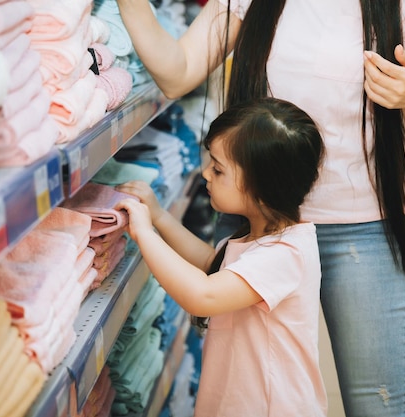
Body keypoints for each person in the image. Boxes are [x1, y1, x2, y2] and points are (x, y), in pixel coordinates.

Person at [115, 0, 405, 415]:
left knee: (376, 406)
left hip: (364, 228)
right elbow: (179, 72)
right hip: (257, 220)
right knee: (246, 377)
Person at [115, 97, 328, 416]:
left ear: (263, 184)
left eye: (217, 168)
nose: (205, 173)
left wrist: (144, 233)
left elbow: (203, 295)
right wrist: (159, 217)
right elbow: (210, 263)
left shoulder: (286, 254)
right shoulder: (259, 236)